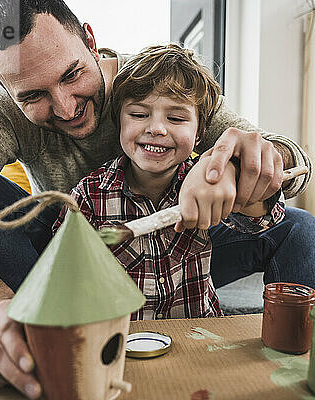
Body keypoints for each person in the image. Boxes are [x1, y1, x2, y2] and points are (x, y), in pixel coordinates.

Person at [0, 1, 315, 398]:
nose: (65, 107)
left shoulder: (158, 82)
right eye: (34, 96)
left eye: (71, 75)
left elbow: (290, 162)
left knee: (297, 227)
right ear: (8, 92)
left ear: (91, 41)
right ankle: (34, 325)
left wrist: (238, 165)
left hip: (179, 248)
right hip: (69, 259)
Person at [54, 43, 286, 320]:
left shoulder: (207, 181)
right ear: (119, 124)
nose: (156, 128)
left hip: (199, 334)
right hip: (125, 339)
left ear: (200, 135)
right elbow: (60, 276)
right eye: (139, 115)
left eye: (176, 118)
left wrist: (233, 177)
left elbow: (263, 220)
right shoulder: (88, 196)